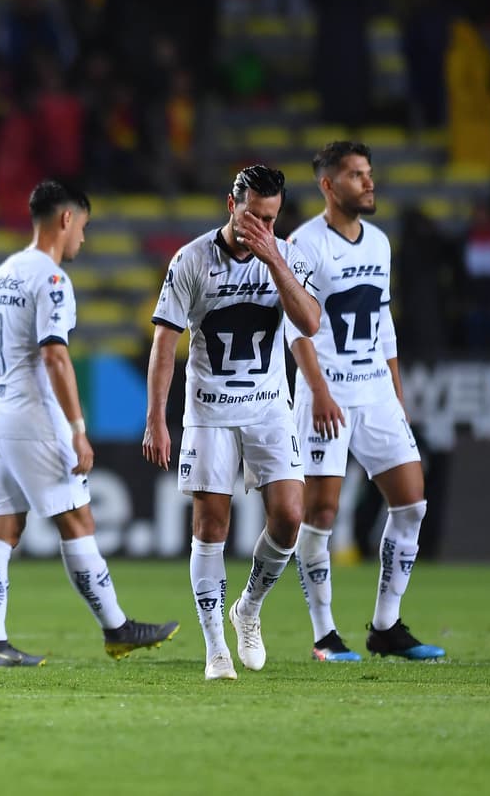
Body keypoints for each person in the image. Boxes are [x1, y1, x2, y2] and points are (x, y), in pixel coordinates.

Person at [0, 180, 179, 667]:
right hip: (32, 419)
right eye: (83, 226)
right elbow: (56, 356)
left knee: (2, 527)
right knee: (78, 519)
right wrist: (79, 428)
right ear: (66, 220)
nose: (83, 237)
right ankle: (117, 627)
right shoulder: (52, 279)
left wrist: (11, 377)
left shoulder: (6, 272)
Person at [142, 165, 320, 680]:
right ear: (231, 205)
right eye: (251, 216)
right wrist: (156, 416)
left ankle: (248, 609)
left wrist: (274, 260)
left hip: (269, 407)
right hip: (209, 411)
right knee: (210, 526)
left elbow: (309, 323)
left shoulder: (286, 256)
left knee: (289, 517)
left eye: (269, 218)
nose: (259, 227)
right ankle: (216, 646)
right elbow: (164, 343)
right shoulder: (191, 259)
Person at [287, 141, 446, 662]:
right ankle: (324, 635)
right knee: (321, 513)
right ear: (329, 186)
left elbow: (384, 325)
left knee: (412, 503)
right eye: (356, 175)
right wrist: (318, 393)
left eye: (370, 172)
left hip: (374, 390)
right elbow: (298, 329)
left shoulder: (379, 242)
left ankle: (385, 626)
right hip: (326, 395)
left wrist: (396, 397)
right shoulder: (303, 244)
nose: (369, 182)